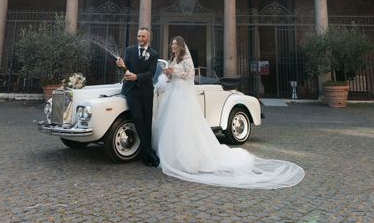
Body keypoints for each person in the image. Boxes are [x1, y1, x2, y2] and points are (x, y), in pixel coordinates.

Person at [153, 36, 305, 189]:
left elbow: (190, 75)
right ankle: (173, 157)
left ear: (180, 46)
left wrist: (176, 73)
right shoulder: (173, 59)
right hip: (174, 97)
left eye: (174, 44)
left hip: (183, 98)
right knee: (173, 128)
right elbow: (172, 78)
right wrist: (168, 74)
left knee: (185, 127)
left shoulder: (185, 59)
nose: (172, 46)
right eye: (171, 44)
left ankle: (187, 159)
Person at [116, 27, 160, 167]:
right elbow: (126, 70)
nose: (140, 39)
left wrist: (137, 77)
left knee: (147, 121)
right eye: (139, 36)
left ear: (149, 38)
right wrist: (121, 66)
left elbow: (151, 74)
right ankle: (147, 153)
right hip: (132, 91)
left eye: (143, 37)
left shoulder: (153, 54)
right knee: (138, 119)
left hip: (146, 92)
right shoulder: (129, 50)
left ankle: (146, 150)